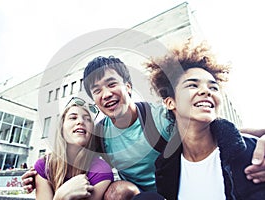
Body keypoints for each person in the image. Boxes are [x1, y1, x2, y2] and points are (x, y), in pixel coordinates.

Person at [22, 55, 265, 199]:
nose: (106, 94)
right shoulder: (100, 133)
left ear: (128, 87)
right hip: (143, 197)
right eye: (97, 91)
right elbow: (75, 153)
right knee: (117, 191)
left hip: (180, 188)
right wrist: (38, 172)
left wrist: (262, 139)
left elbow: (213, 130)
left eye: (111, 84)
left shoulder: (159, 116)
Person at [133, 41, 265, 199]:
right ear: (170, 102)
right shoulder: (165, 169)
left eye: (213, 87)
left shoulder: (252, 153)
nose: (206, 91)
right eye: (192, 85)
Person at [33, 97, 114, 200]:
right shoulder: (44, 165)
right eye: (73, 118)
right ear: (61, 128)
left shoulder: (102, 170)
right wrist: (60, 197)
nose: (81, 121)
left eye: (87, 119)